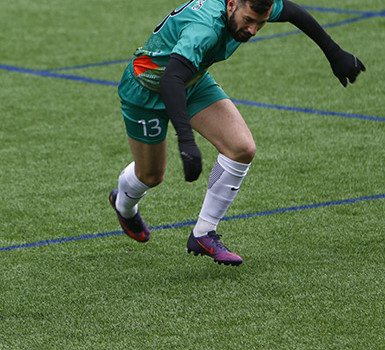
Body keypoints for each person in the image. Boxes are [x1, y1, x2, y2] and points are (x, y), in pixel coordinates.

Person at [109, 0, 364, 265]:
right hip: (146, 89)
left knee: (242, 147)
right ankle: (124, 205)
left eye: (260, 23)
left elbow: (294, 12)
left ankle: (203, 233)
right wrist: (186, 141)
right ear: (231, 5)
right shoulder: (205, 28)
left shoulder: (252, 2)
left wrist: (334, 53)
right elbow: (169, 79)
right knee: (151, 175)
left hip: (192, 81)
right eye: (249, 20)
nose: (253, 30)